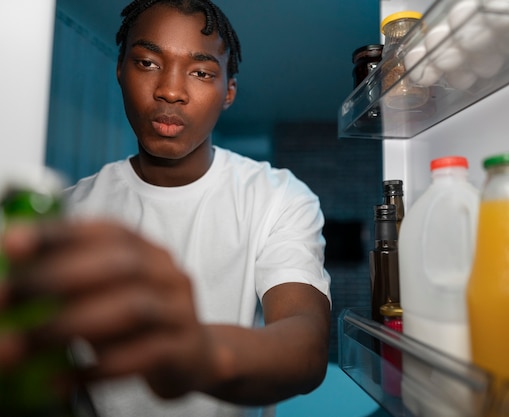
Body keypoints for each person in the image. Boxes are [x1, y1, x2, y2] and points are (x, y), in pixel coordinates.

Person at [0, 0, 332, 416]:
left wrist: (201, 355)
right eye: (147, 63)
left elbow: (307, 343)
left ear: (228, 90)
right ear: (120, 70)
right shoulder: (66, 213)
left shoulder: (278, 197)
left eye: (201, 72)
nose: (171, 90)